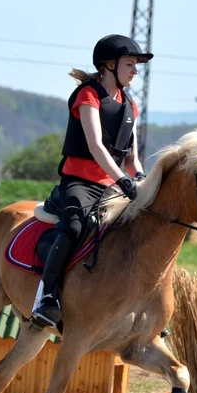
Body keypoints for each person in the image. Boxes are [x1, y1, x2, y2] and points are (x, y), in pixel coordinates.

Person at [31, 34, 154, 327]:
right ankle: (46, 296)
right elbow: (96, 145)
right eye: (130, 63)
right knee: (75, 226)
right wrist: (123, 179)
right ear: (109, 65)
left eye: (136, 65)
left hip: (113, 185)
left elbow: (132, 159)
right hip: (80, 182)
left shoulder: (130, 106)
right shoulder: (88, 95)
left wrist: (142, 182)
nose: (135, 70)